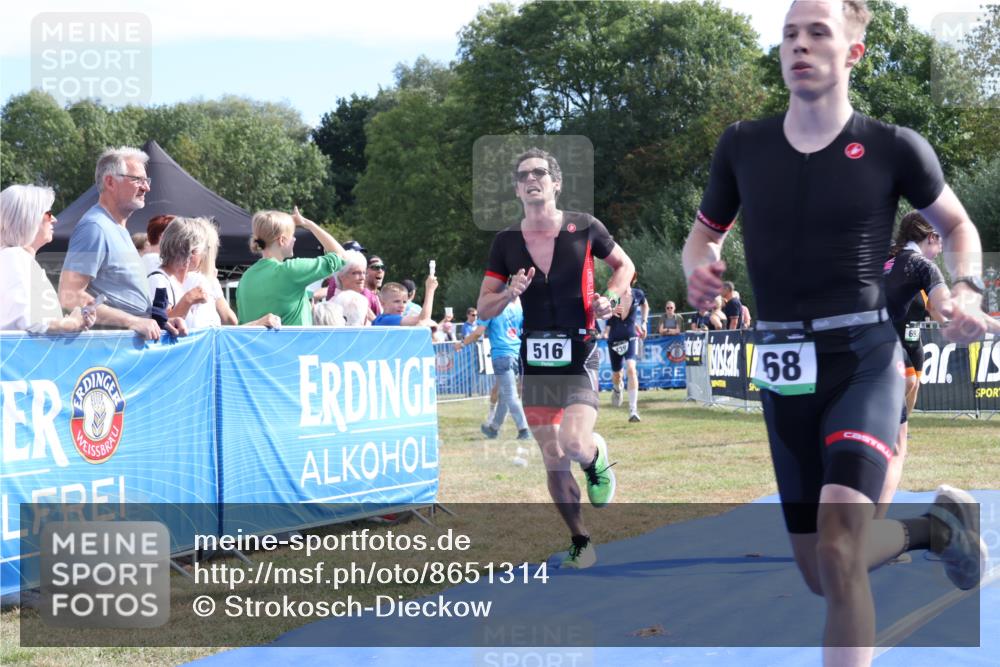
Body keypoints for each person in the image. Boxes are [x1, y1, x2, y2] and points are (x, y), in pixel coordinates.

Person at [683, 2, 992, 664]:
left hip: (862, 358)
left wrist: (967, 289)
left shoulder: (892, 146)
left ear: (852, 52)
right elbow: (702, 237)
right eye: (790, 33)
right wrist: (696, 267)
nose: (798, 44)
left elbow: (960, 226)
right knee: (822, 569)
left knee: (840, 544)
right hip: (781, 368)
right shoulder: (743, 144)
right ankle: (934, 529)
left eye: (817, 33)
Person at [477, 147, 635, 569]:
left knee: (574, 444)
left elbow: (625, 266)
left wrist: (611, 298)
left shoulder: (584, 227)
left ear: (556, 182)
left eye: (540, 173)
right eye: (524, 175)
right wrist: (509, 293)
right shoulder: (507, 242)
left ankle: (595, 457)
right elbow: (484, 306)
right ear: (516, 188)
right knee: (552, 457)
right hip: (536, 359)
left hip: (580, 352)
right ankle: (581, 541)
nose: (533, 179)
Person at [58, 146, 186, 340]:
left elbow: (123, 298)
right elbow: (70, 295)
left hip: (124, 353)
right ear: (110, 181)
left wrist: (160, 321)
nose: (146, 187)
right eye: (137, 180)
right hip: (108, 356)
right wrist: (132, 321)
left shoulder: (116, 228)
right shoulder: (95, 227)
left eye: (146, 180)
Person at [876, 212, 950, 520]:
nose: (943, 245)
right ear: (930, 237)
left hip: (867, 348)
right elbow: (946, 313)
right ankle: (872, 529)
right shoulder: (921, 265)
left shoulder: (887, 262)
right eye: (940, 238)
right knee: (894, 448)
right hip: (886, 351)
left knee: (909, 387)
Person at [1, 184, 96, 333]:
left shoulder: (17, 258)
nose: (55, 219)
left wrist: (71, 323)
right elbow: (26, 320)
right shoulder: (14, 257)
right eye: (48, 213)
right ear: (29, 217)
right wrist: (70, 323)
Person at [237, 208, 345, 326]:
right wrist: (308, 224)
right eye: (292, 235)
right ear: (282, 240)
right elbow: (341, 256)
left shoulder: (246, 278)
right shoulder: (290, 271)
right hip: (294, 344)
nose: (294, 239)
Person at [458, 298, 531, 441]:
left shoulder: (490, 309)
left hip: (501, 355)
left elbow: (478, 333)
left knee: (510, 395)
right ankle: (494, 428)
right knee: (504, 395)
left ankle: (524, 429)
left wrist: (461, 344)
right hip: (516, 353)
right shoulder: (517, 308)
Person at [607, 273, 648, 422]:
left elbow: (645, 306)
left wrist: (643, 323)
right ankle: (617, 388)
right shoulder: (612, 294)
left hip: (630, 336)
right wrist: (609, 309)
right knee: (617, 374)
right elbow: (604, 316)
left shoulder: (638, 294)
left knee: (631, 368)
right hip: (614, 338)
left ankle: (633, 410)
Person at [327, 250, 376, 322]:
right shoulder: (333, 305)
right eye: (356, 273)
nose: (362, 277)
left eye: (364, 273)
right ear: (341, 276)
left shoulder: (363, 301)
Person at [372, 276, 437, 326]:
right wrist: (430, 290)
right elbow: (423, 319)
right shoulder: (385, 320)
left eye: (404, 302)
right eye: (397, 301)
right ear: (383, 303)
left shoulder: (399, 320)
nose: (402, 306)